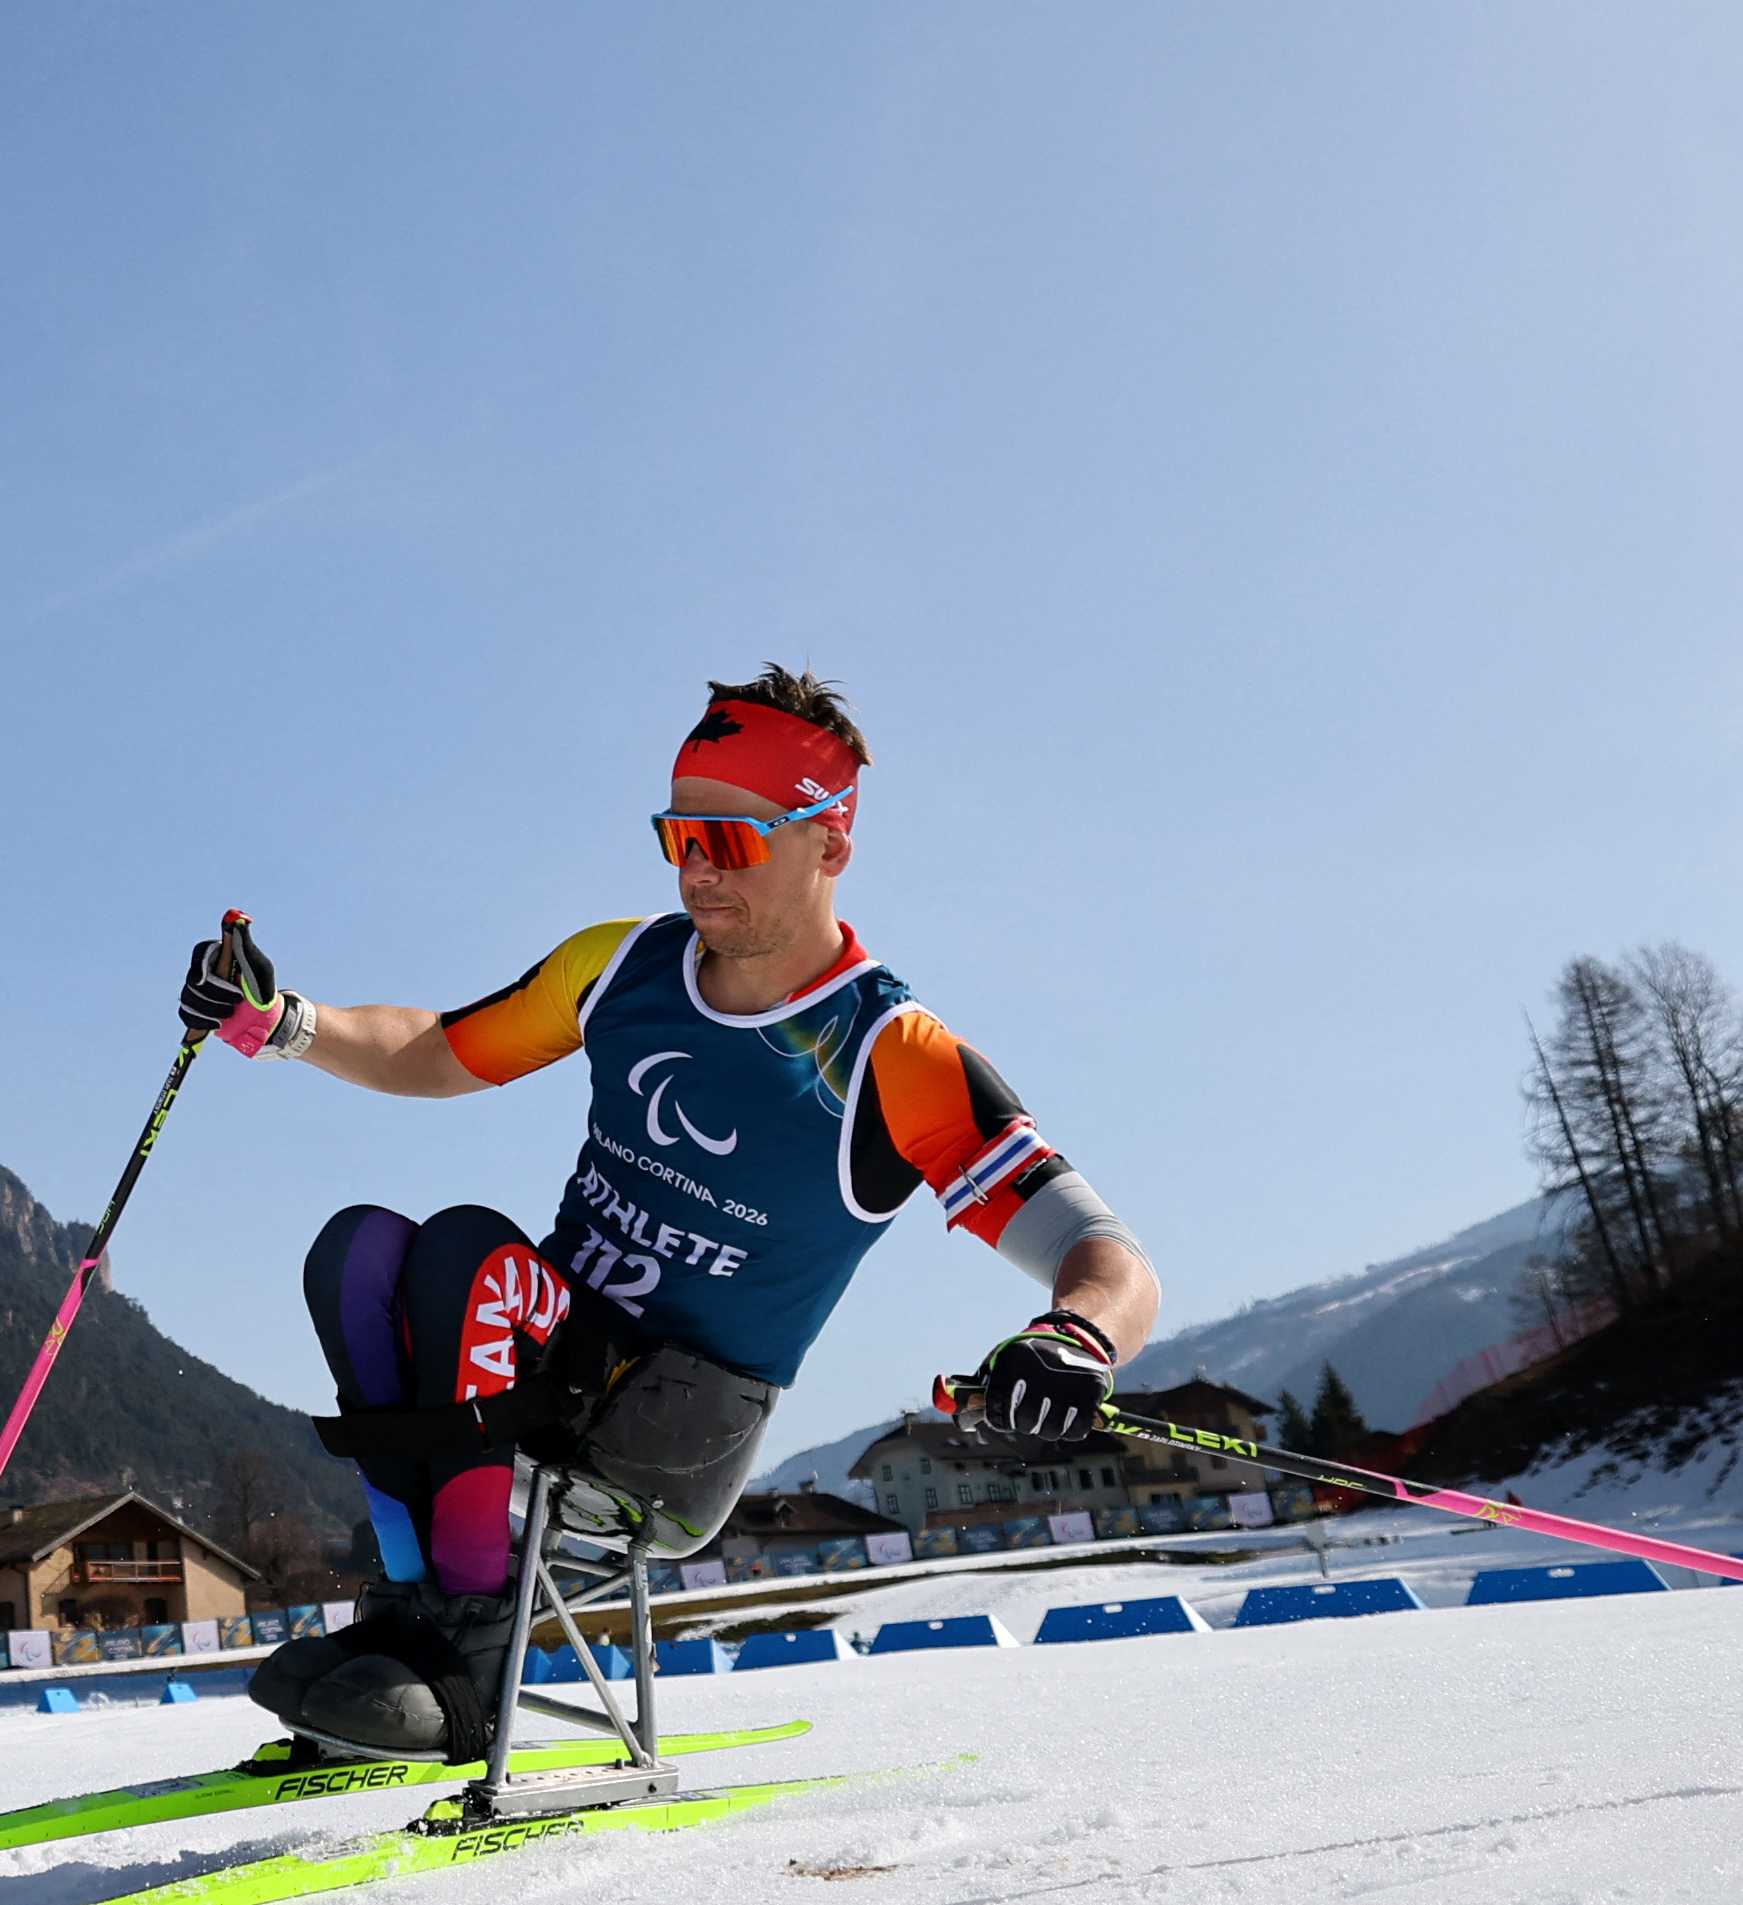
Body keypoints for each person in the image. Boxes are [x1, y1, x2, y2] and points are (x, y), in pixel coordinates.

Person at [186, 667, 1158, 1758]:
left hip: (669, 1431)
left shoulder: (890, 1055)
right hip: (539, 1361)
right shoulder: (622, 965)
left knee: (464, 1247)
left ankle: (466, 1659)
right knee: (358, 1251)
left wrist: (1075, 1334)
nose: (697, 867)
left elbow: (1103, 1252)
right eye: (678, 835)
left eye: (732, 842)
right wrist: (281, 1021)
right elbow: (440, 1048)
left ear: (829, 845)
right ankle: (412, 1611)